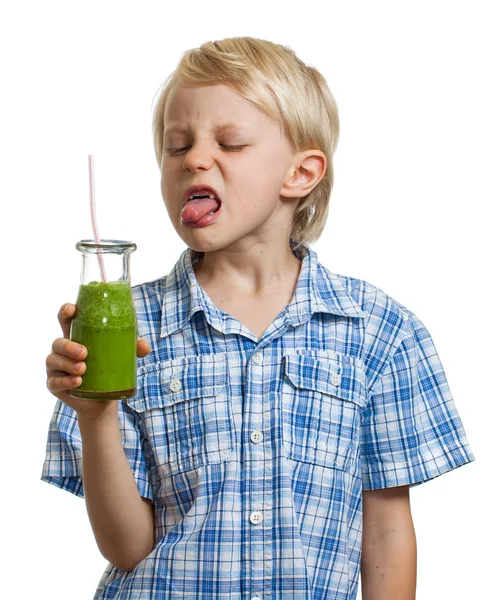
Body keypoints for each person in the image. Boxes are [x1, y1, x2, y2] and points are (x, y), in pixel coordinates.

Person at [42, 36, 475, 600]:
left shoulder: (379, 332)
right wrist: (95, 414)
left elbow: (388, 532)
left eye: (231, 143)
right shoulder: (128, 326)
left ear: (300, 173)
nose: (195, 158)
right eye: (176, 146)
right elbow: (126, 548)